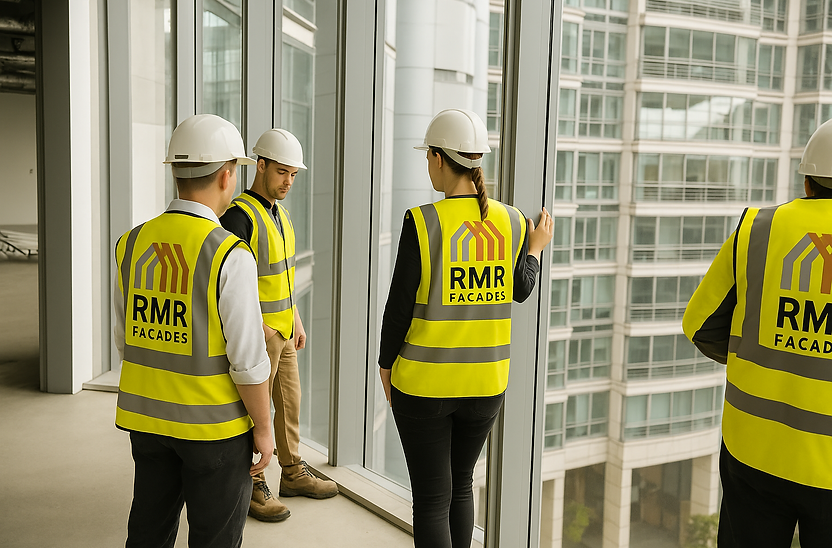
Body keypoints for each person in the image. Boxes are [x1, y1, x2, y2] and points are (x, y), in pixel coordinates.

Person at [378, 108, 554, 548]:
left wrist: (385, 364)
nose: (427, 164)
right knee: (461, 485)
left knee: (432, 499)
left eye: (428, 156)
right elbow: (521, 289)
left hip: (425, 385)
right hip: (486, 385)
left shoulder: (423, 221)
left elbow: (398, 308)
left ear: (440, 158)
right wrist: (534, 250)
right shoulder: (513, 220)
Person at [113, 114, 274, 547]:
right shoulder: (228, 253)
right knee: (214, 538)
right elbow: (248, 361)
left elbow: (126, 339)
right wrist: (263, 427)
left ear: (176, 173)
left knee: (148, 530)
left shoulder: (132, 243)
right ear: (226, 175)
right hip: (213, 428)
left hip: (147, 420)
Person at [683, 118, 832, 547]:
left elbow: (700, 324)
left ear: (807, 182)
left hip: (755, 450)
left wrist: (767, 352)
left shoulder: (757, 228)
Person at [220, 128, 338, 523]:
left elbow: (283, 276)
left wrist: (296, 319)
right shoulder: (238, 217)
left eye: (294, 175)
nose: (289, 181)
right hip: (260, 336)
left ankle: (292, 472)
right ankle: (252, 484)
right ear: (261, 165)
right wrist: (260, 330)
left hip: (283, 329)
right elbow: (231, 285)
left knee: (289, 404)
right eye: (282, 172)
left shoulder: (280, 214)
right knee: (253, 412)